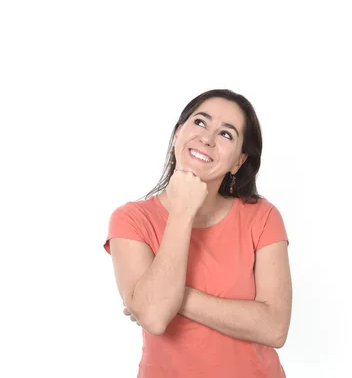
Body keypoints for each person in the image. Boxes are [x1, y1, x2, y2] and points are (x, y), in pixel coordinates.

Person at [102, 89, 292, 378]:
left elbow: (275, 328)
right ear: (178, 134)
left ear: (238, 162)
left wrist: (172, 298)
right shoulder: (131, 219)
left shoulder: (262, 217)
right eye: (200, 122)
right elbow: (153, 317)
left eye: (226, 134)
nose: (207, 138)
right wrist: (182, 211)